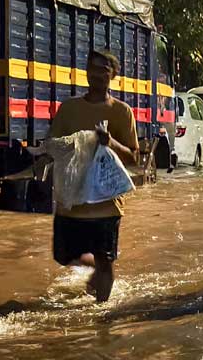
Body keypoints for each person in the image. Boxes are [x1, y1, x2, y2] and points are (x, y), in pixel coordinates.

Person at [49, 50, 139, 302]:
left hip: (107, 205)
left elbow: (134, 157)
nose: (97, 74)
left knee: (106, 260)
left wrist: (111, 143)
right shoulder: (68, 109)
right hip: (72, 202)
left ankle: (101, 318)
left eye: (104, 70)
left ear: (113, 75)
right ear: (86, 72)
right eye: (93, 68)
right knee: (63, 256)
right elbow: (53, 146)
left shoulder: (121, 112)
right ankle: (97, 270)